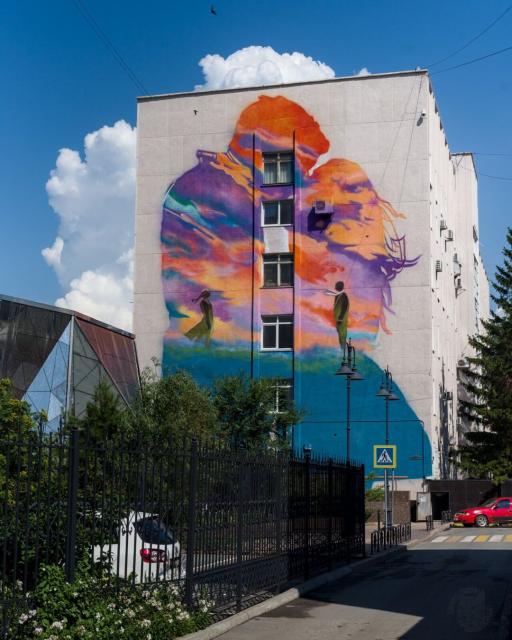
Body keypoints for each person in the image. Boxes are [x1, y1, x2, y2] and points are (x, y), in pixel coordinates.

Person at [325, 281, 349, 351]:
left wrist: (340, 318)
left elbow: (344, 307)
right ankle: (342, 347)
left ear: (340, 287)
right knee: (340, 333)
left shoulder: (343, 296)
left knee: (342, 333)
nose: (336, 288)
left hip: (341, 319)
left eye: (337, 287)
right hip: (338, 319)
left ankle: (343, 348)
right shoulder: (338, 295)